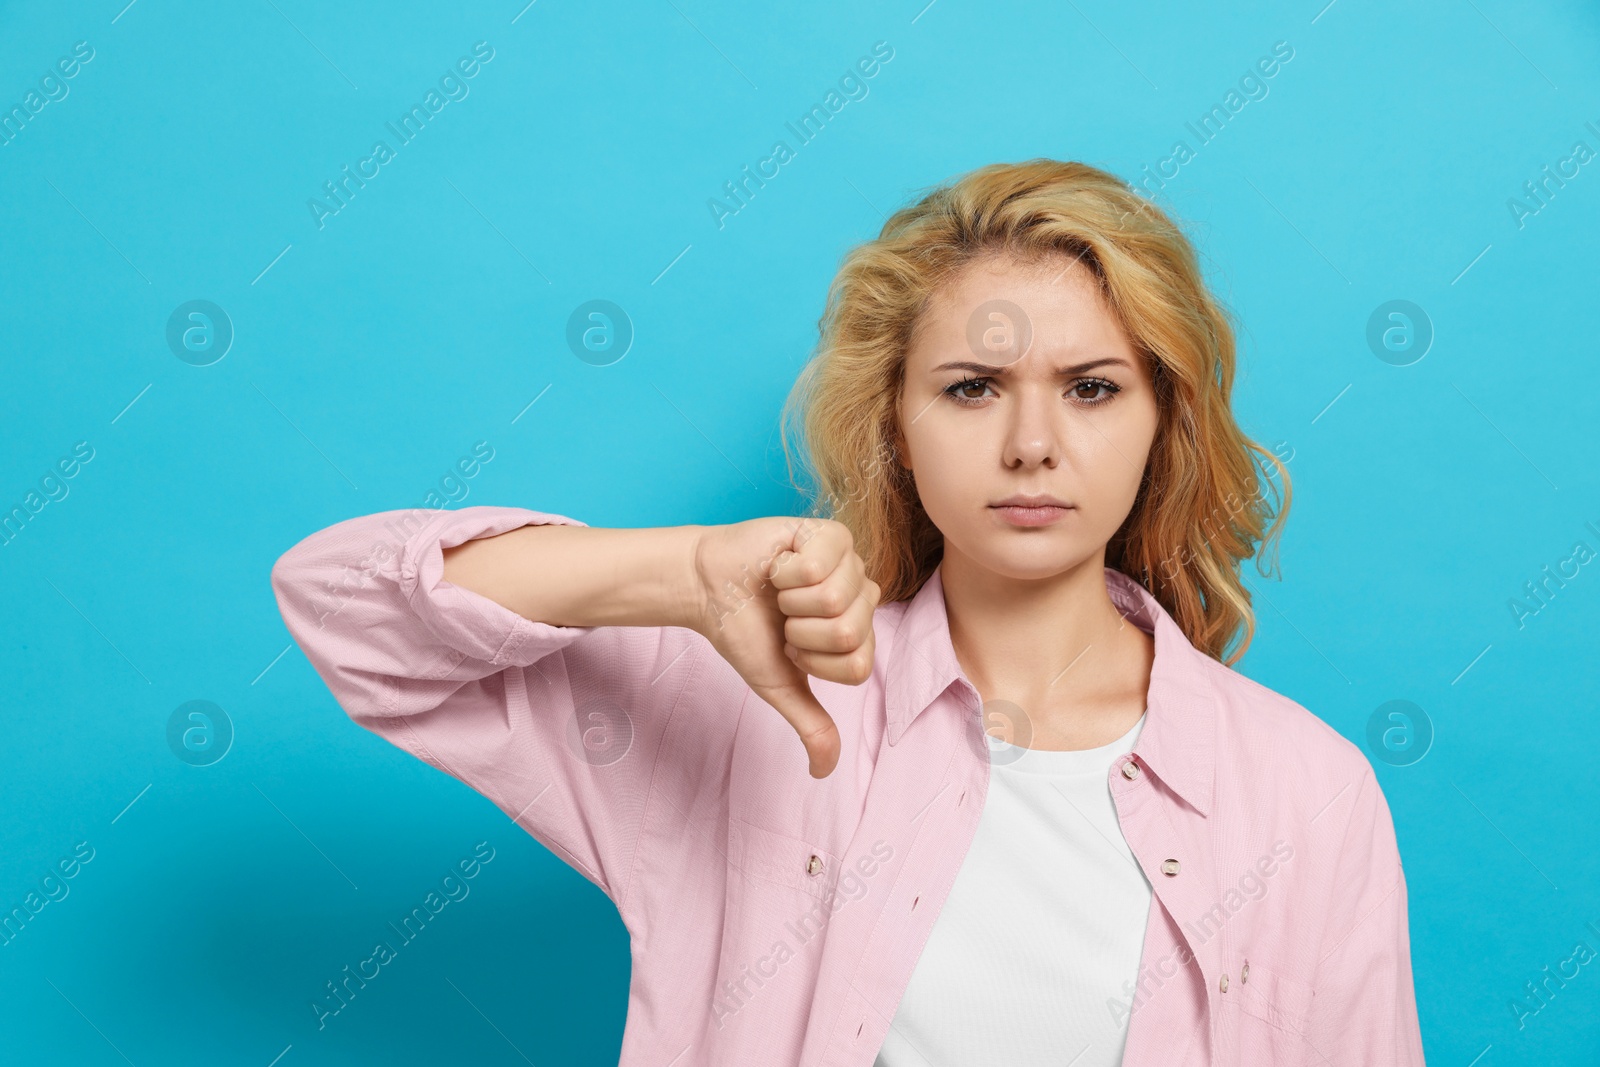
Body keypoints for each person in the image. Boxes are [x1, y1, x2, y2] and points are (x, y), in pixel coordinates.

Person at [271, 158, 1426, 1066]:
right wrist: (677, 576)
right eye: (971, 388)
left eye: (1091, 387)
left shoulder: (1302, 792)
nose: (1032, 444)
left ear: (1160, 421)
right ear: (897, 428)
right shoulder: (750, 712)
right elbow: (342, 608)